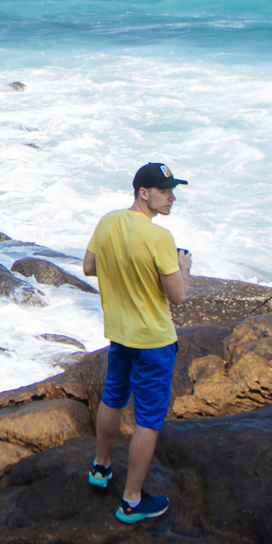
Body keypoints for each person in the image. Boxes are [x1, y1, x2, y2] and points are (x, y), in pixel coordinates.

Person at [82, 162, 193, 524]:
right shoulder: (159, 237)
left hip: (120, 334)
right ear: (143, 193)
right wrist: (183, 265)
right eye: (164, 191)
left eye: (172, 191)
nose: (171, 198)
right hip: (154, 341)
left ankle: (100, 466)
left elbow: (89, 267)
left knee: (113, 397)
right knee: (148, 419)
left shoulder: (108, 221)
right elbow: (178, 296)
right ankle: (131, 500)